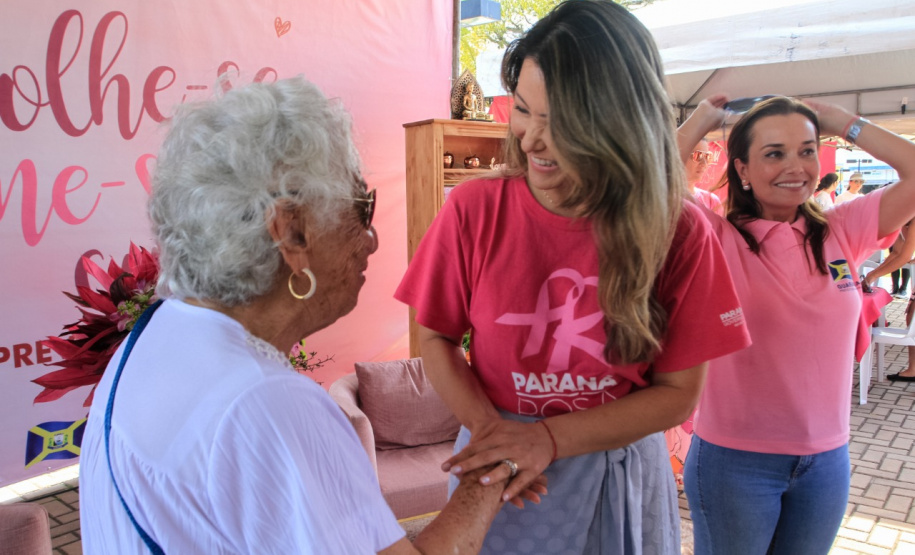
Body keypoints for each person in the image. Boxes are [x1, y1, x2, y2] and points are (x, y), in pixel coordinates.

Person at [79, 77, 535, 554]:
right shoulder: (266, 404)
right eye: (363, 209)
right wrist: (492, 468)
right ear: (291, 232)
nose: (372, 240)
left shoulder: (157, 334)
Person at [395, 2, 750, 553]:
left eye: (559, 121)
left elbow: (678, 396)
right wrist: (496, 436)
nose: (531, 139)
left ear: (620, 123)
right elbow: (434, 336)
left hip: (616, 465)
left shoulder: (679, 230)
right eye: (522, 109)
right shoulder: (474, 209)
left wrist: (546, 439)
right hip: (501, 470)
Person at [678, 94, 915, 553]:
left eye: (807, 150)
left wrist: (844, 123)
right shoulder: (714, 236)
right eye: (774, 153)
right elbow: (641, 187)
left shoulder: (841, 229)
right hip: (734, 461)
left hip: (826, 462)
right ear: (741, 169)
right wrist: (701, 119)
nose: (796, 166)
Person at [864, 218, 915, 381]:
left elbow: (903, 256)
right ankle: (913, 369)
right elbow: (897, 253)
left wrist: (872, 276)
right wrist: (871, 276)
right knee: (911, 317)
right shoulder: (903, 220)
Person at [686, 139, 723, 213]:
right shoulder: (663, 199)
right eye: (697, 155)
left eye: (707, 156)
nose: (704, 163)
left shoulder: (712, 201)